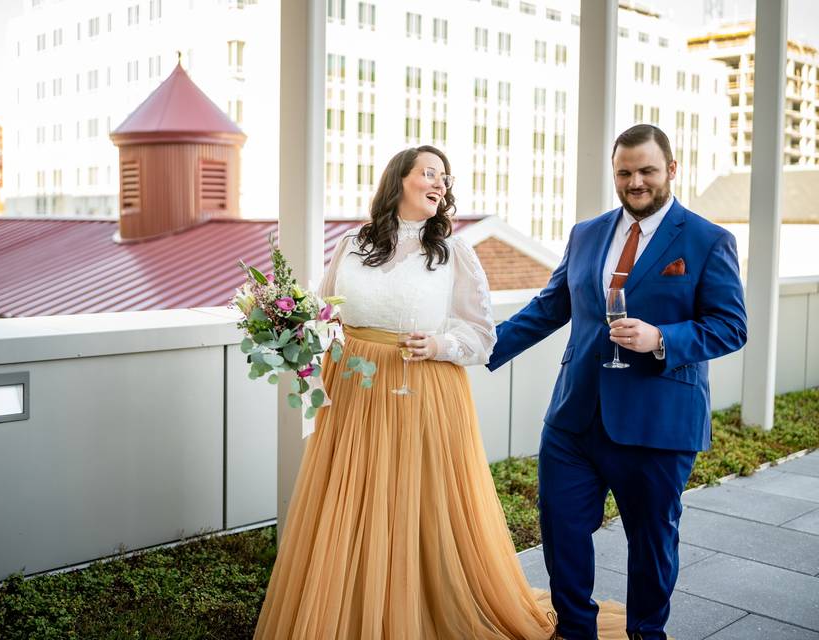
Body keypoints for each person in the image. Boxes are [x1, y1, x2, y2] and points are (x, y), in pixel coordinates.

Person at [254, 145, 625, 639]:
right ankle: (355, 608)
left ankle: (417, 606)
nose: (439, 184)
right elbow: (327, 313)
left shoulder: (453, 253)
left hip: (422, 389)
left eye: (444, 178)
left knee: (412, 502)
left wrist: (440, 343)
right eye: (429, 173)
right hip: (351, 391)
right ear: (398, 180)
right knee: (356, 500)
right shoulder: (350, 244)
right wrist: (288, 327)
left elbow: (482, 336)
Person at [487, 124, 747, 640]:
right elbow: (550, 308)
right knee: (561, 534)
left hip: (658, 423)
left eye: (647, 170)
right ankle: (575, 631)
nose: (635, 182)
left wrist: (660, 338)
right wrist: (473, 348)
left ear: (671, 169)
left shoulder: (708, 239)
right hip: (574, 417)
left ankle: (647, 634)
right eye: (624, 172)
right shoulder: (587, 232)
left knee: (651, 545)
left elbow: (731, 326)